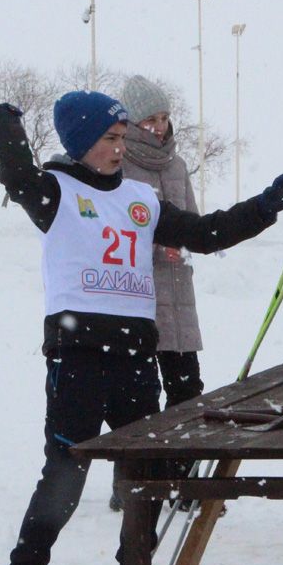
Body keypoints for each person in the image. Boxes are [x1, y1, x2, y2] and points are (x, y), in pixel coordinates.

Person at [0, 91, 283, 565]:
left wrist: (264, 205)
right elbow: (15, 174)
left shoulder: (141, 198)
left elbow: (205, 235)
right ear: (84, 143)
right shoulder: (56, 191)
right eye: (110, 138)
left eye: (121, 136)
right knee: (64, 476)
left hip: (135, 359)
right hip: (78, 357)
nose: (120, 146)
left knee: (146, 477)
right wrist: (6, 126)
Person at [107, 75, 204, 512]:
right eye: (150, 119)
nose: (160, 127)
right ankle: (134, 478)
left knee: (187, 390)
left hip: (179, 298)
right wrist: (152, 246)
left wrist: (189, 243)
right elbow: (110, 233)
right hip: (136, 300)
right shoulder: (119, 167)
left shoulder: (179, 166)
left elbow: (195, 223)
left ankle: (182, 480)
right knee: (137, 400)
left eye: (164, 118)